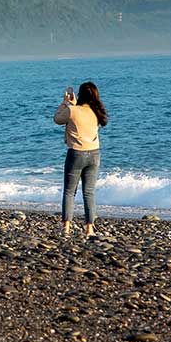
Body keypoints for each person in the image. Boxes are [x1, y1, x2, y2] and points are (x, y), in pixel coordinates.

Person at [54, 80, 107, 237]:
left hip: (76, 153)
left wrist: (65, 103)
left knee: (70, 192)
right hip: (94, 153)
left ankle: (66, 228)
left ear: (80, 94)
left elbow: (57, 119)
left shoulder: (72, 110)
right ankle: (89, 228)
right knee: (89, 192)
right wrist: (73, 104)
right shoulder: (96, 111)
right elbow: (82, 115)